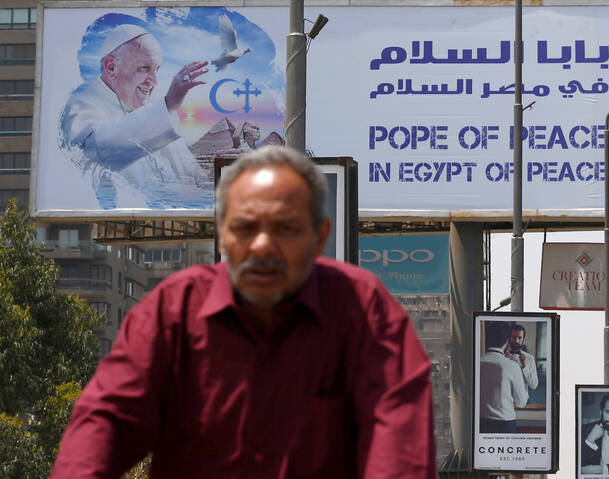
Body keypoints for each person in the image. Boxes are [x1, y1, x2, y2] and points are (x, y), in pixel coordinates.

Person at [50, 146, 437, 478]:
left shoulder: (364, 312)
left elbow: (400, 450)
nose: (263, 246)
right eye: (245, 228)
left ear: (320, 236)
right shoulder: (172, 314)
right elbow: (105, 425)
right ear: (222, 231)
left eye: (285, 228)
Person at [59, 24, 211, 209]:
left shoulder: (157, 110)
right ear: (111, 67)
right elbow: (93, 152)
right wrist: (168, 105)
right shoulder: (81, 105)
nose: (154, 81)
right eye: (144, 68)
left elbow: (193, 174)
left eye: (157, 69)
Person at [479, 321, 528, 433]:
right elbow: (521, 402)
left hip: (480, 423)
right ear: (507, 341)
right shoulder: (512, 366)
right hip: (504, 424)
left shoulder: (475, 363)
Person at [506, 323, 538, 390]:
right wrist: (505, 362)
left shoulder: (529, 358)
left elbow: (534, 385)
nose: (516, 341)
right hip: (505, 399)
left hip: (524, 399)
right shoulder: (502, 356)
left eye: (519, 338)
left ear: (523, 339)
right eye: (514, 337)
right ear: (509, 337)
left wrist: (524, 366)